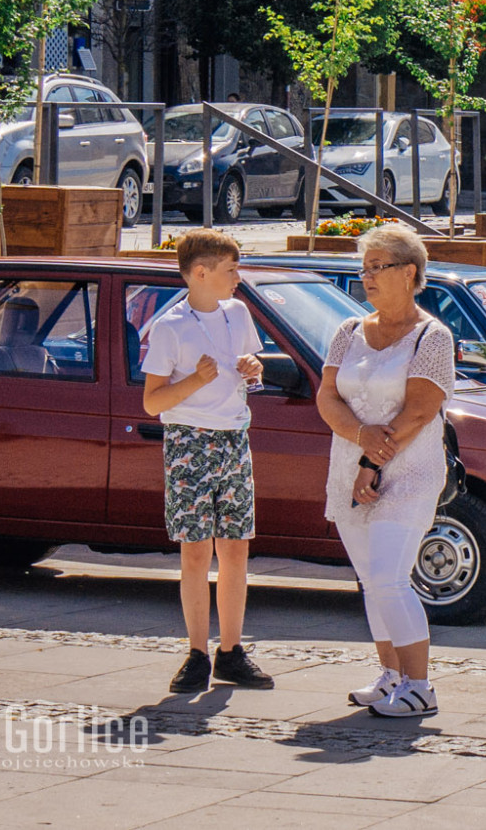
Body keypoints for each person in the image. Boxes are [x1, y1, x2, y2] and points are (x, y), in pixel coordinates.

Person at [317, 224, 457, 715]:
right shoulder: (348, 331)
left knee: (389, 577)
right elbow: (327, 396)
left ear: (410, 272)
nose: (367, 277)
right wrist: (359, 444)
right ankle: (392, 675)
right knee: (370, 581)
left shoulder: (432, 337)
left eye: (378, 267)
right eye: (365, 267)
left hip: (409, 472)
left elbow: (419, 411)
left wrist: (371, 461)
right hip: (350, 470)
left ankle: (420, 688)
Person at [140, 229, 275, 693]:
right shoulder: (170, 326)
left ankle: (231, 652)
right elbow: (152, 403)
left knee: (236, 548)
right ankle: (197, 652)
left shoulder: (237, 313)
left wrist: (254, 368)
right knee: (196, 550)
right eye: (231, 270)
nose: (239, 278)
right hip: (190, 441)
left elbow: (250, 365)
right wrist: (195, 381)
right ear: (200, 273)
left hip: (235, 437)